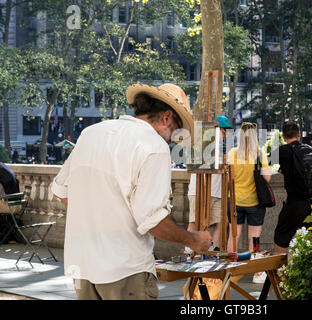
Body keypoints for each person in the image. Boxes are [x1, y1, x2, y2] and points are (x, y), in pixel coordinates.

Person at [51, 83, 211, 300]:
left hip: (83, 265)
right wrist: (193, 240)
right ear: (166, 117)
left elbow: (62, 190)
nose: (174, 138)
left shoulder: (92, 133)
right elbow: (152, 220)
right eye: (177, 128)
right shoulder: (154, 146)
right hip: (124, 267)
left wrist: (103, 211)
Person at [226, 122, 271, 283]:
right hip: (254, 202)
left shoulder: (232, 154)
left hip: (235, 201)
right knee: (255, 238)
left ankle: (230, 269)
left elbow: (227, 177)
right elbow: (266, 178)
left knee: (233, 236)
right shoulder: (260, 154)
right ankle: (257, 273)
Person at [186, 115, 232, 251]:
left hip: (217, 191)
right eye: (224, 131)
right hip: (199, 190)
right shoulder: (202, 142)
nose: (225, 135)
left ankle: (214, 249)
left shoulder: (221, 147)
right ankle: (189, 251)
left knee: (222, 221)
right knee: (195, 222)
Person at [271, 121, 312, 255]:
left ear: (283, 136)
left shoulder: (283, 151)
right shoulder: (309, 150)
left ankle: (281, 272)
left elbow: (263, 162)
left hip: (295, 203)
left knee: (281, 237)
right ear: (299, 134)